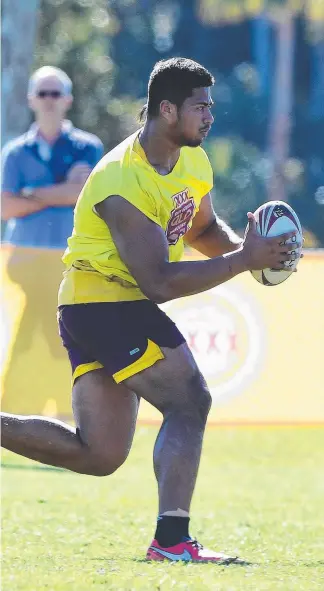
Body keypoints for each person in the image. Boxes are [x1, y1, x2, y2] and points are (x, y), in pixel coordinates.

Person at [1, 58, 301, 563]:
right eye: (200, 107)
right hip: (104, 302)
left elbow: (203, 232)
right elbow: (158, 282)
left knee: (100, 453)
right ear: (167, 109)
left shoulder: (192, 161)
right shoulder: (121, 179)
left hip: (102, 305)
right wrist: (245, 259)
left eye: (211, 106)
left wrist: (251, 256)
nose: (209, 116)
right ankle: (172, 542)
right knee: (190, 401)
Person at [1, 66, 103, 412]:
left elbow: (83, 195)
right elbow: (5, 206)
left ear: (67, 100)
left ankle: (20, 409)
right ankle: (59, 408)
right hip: (27, 265)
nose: (48, 101)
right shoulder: (15, 152)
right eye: (42, 93)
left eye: (54, 93)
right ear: (31, 99)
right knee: (59, 335)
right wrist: (59, 190)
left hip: (68, 266)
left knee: (42, 332)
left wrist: (29, 194)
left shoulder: (87, 146)